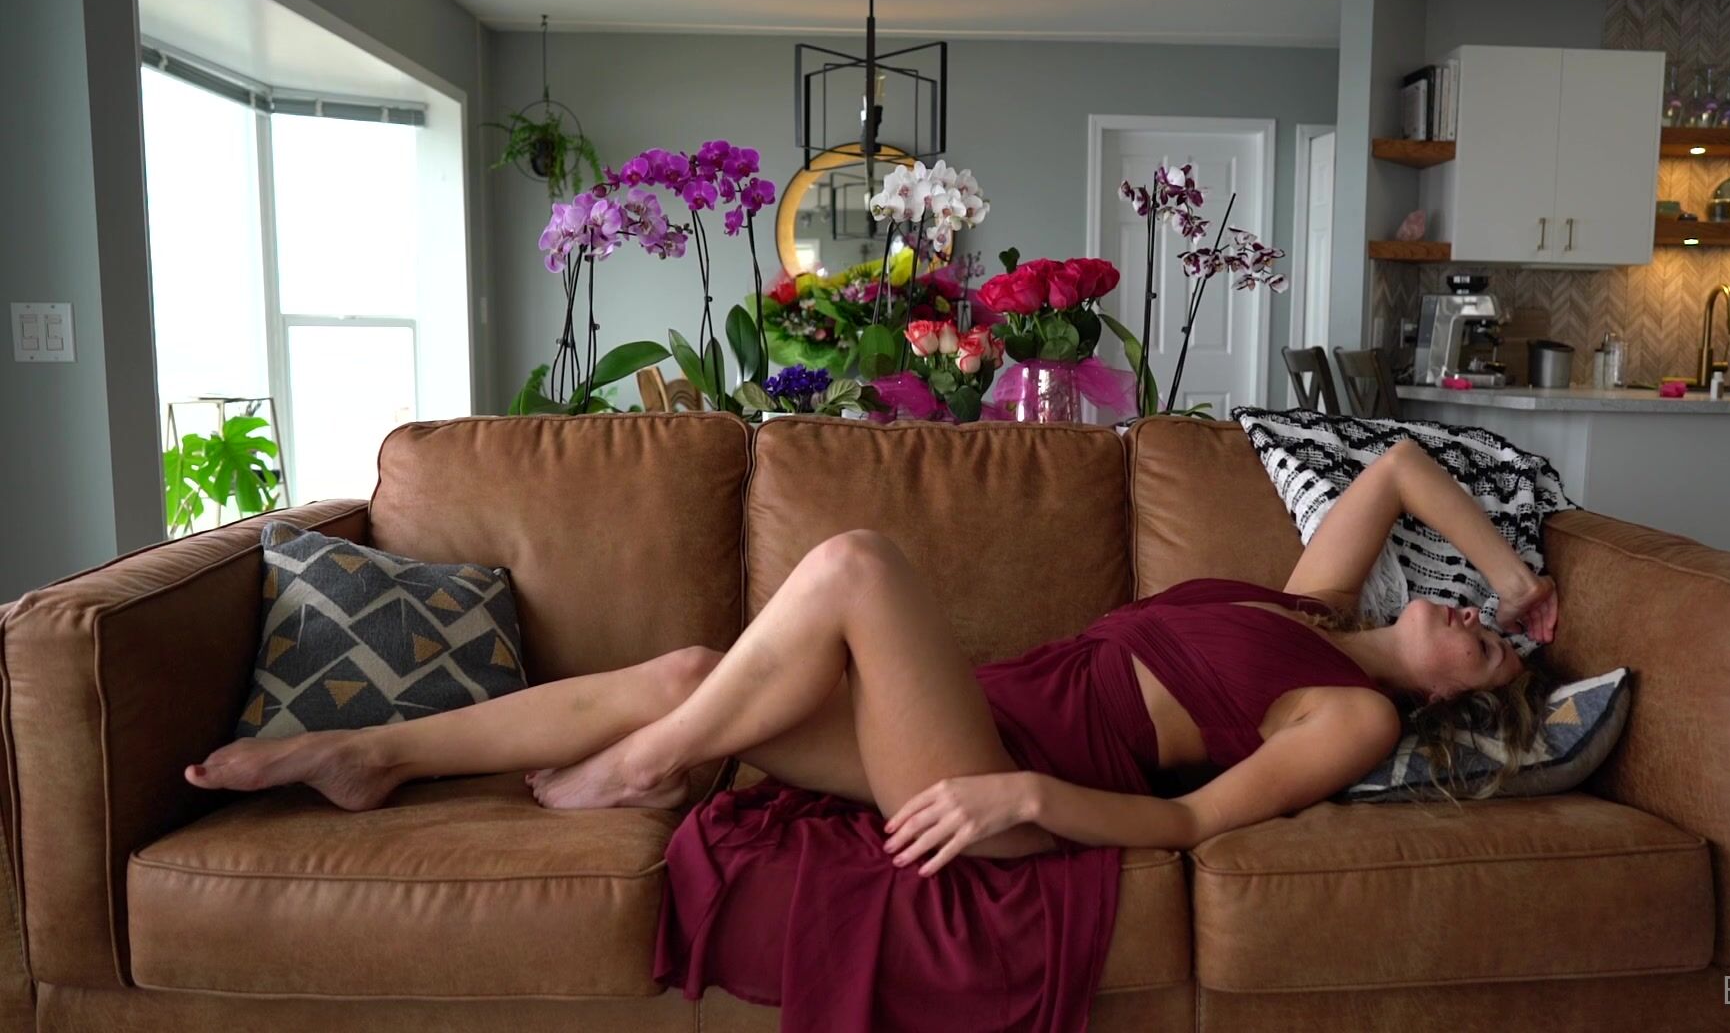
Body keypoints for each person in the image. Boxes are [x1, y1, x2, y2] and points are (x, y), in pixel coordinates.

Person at [186, 437, 1560, 1031]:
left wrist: (1030, 802)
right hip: (970, 714)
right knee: (689, 667)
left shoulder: (1349, 709)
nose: (1468, 621)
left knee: (854, 562)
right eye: (1475, 616)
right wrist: (1510, 579)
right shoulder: (1309, 606)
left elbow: (1195, 819)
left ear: (1448, 701)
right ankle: (384, 753)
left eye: (1486, 649)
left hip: (1006, 778)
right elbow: (1395, 472)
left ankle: (649, 765)